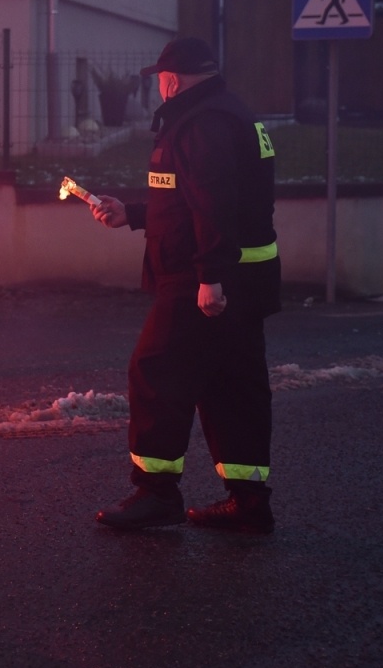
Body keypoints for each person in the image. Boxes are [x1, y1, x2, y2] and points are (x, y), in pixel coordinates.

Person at [87, 36, 281, 533]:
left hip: (201, 277)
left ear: (172, 79)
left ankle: (155, 493)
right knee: (231, 385)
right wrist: (131, 214)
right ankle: (249, 501)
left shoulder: (201, 124)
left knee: (154, 372)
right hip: (238, 276)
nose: (158, 88)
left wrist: (210, 277)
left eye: (160, 79)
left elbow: (213, 205)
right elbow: (189, 200)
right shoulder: (228, 112)